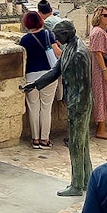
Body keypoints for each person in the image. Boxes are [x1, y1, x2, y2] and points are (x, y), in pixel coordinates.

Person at [20, 20, 92, 196]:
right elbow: (55, 71)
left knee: (77, 144)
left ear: (67, 33)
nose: (55, 39)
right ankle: (86, 181)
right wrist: (35, 85)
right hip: (75, 102)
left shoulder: (79, 54)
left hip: (79, 104)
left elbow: (85, 85)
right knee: (81, 143)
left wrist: (77, 107)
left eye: (58, 35)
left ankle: (77, 185)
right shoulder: (68, 47)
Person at [20, 10, 61, 149]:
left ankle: (35, 139)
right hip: (48, 75)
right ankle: (44, 140)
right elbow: (57, 53)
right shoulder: (47, 35)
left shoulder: (24, 40)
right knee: (46, 108)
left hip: (31, 76)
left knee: (33, 108)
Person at [88, 7, 107, 141]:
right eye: (105, 15)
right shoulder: (98, 32)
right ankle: (100, 129)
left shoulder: (102, 32)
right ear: (98, 17)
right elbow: (97, 52)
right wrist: (105, 72)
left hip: (106, 68)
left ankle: (103, 126)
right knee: (102, 98)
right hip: (101, 71)